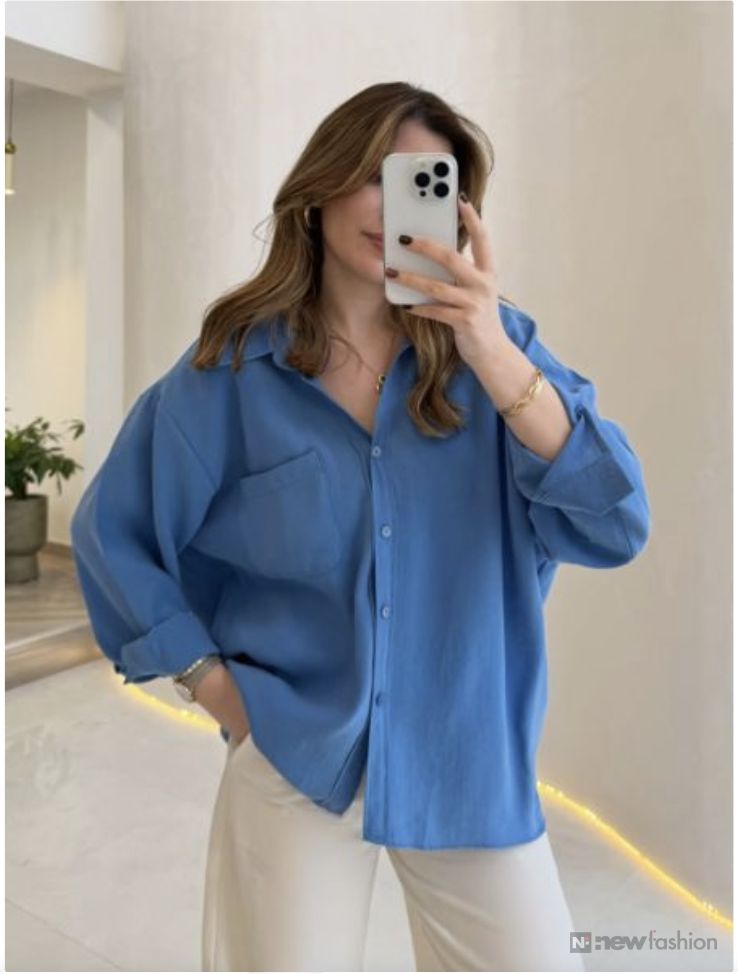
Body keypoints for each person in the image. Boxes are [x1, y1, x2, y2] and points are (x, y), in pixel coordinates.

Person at [70, 82, 650, 972]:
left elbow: (616, 523)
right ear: (324, 186)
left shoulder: (499, 352)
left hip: (467, 759)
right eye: (376, 175)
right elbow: (114, 532)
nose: (392, 206)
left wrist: (492, 352)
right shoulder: (233, 371)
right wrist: (213, 686)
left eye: (423, 182)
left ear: (456, 211)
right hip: (296, 755)